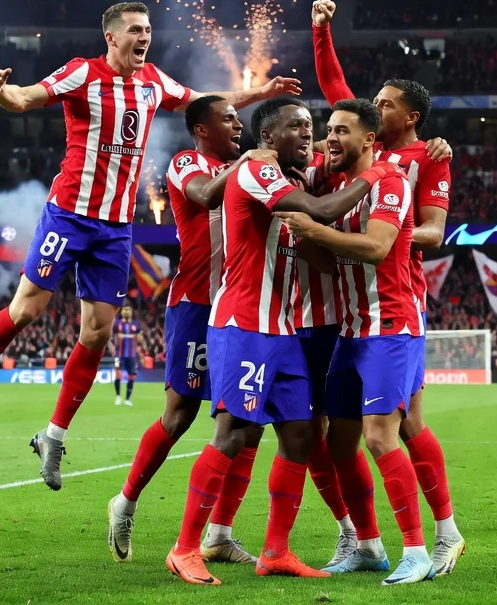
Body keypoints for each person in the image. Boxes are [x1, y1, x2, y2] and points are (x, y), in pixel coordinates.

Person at [0, 1, 300, 493]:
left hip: (116, 227)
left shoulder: (153, 82)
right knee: (26, 310)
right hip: (70, 214)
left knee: (97, 334)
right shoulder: (82, 73)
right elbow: (25, 98)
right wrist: (1, 91)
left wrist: (261, 93)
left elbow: (207, 99)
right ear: (111, 36)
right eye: (135, 30)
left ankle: (53, 436)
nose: (145, 37)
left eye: (148, 29)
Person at [165, 96, 394, 586]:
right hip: (244, 324)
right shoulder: (257, 170)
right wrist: (376, 175)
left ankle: (276, 551)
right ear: (268, 137)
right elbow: (318, 209)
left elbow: (321, 236)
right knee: (233, 435)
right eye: (298, 126)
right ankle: (185, 548)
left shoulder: (288, 176)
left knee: (300, 434)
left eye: (311, 126)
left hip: (283, 330)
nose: (309, 135)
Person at [310, 0, 463, 574]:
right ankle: (378, 542)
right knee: (380, 429)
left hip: (396, 300)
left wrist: (391, 226)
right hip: (353, 311)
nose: (373, 107)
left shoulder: (426, 160)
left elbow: (433, 231)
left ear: (408, 119)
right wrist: (321, 28)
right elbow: (334, 86)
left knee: (392, 429)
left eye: (385, 105)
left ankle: (430, 541)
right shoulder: (348, 150)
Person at [107, 95, 271, 565]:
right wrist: (246, 161)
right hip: (197, 303)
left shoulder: (251, 167)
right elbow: (204, 194)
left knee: (247, 420)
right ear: (202, 129)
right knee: (179, 415)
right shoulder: (186, 162)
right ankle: (127, 500)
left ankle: (219, 534)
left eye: (239, 119)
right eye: (228, 119)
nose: (238, 125)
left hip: (244, 305)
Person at [278, 98, 433, 585]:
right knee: (340, 443)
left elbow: (377, 247)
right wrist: (303, 243)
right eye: (328, 130)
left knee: (379, 436)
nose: (330, 139)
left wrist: (316, 229)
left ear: (369, 139)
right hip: (350, 331)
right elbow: (333, 262)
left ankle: (417, 551)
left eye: (341, 131)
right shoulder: (342, 187)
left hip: (389, 327)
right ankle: (367, 545)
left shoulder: (389, 181)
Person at [113, 306, 139, 407]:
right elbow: (112, 337)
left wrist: (138, 338)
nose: (127, 311)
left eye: (129, 309)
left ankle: (128, 399)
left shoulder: (135, 324)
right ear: (122, 312)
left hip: (131, 355)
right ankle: (118, 396)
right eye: (125, 309)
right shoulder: (117, 323)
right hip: (119, 354)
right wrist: (113, 348)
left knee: (132, 376)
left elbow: (139, 339)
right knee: (118, 374)